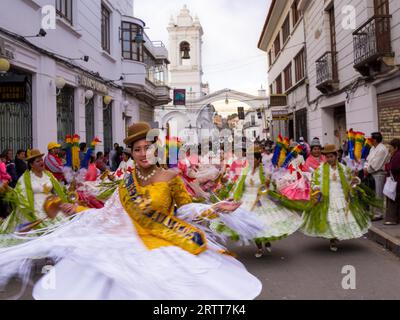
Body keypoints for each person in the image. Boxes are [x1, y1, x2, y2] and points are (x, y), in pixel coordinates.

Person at [0, 122, 262, 300]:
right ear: (132, 153)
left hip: (166, 242)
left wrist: (215, 208)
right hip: (128, 245)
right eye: (137, 149)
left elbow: (185, 210)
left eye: (147, 147)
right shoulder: (126, 183)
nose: (142, 153)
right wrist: (67, 206)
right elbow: (106, 215)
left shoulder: (170, 177)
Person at [301, 144, 374, 252]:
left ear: (336, 156)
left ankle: (336, 236)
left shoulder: (344, 168)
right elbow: (314, 181)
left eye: (331, 156)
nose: (329, 159)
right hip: (327, 196)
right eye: (327, 157)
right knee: (330, 219)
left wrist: (355, 180)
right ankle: (333, 239)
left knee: (340, 218)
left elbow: (350, 181)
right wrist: (316, 189)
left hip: (341, 196)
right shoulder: (320, 169)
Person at [231, 147, 302, 258]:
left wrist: (269, 184)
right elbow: (239, 186)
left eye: (253, 159)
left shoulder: (265, 172)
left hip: (262, 200)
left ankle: (267, 240)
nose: (250, 161)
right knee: (252, 224)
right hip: (247, 200)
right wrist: (234, 198)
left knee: (265, 222)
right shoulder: (245, 171)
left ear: (259, 160)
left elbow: (272, 187)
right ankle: (259, 247)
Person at [0, 149, 74, 234]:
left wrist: (67, 193)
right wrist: (7, 189)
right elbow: (19, 194)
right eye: (37, 161)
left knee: (63, 227)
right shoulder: (25, 178)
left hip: (51, 205)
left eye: (41, 160)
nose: (41, 162)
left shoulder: (49, 175)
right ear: (31, 164)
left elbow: (59, 190)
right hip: (33, 206)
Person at [363, 132, 390, 221]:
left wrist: (368, 170)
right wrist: (365, 168)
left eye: (371, 139)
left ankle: (379, 213)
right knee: (372, 193)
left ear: (375, 140)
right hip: (370, 173)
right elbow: (368, 159)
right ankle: (373, 211)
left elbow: (376, 164)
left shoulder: (382, 149)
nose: (370, 140)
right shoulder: (372, 148)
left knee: (378, 193)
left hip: (378, 173)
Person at [384, 139, 400, 225]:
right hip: (396, 181)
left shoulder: (397, 155)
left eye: (391, 147)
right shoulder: (395, 155)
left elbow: (393, 168)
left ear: (396, 148)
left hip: (396, 182)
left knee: (393, 200)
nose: (389, 149)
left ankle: (392, 219)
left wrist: (386, 166)